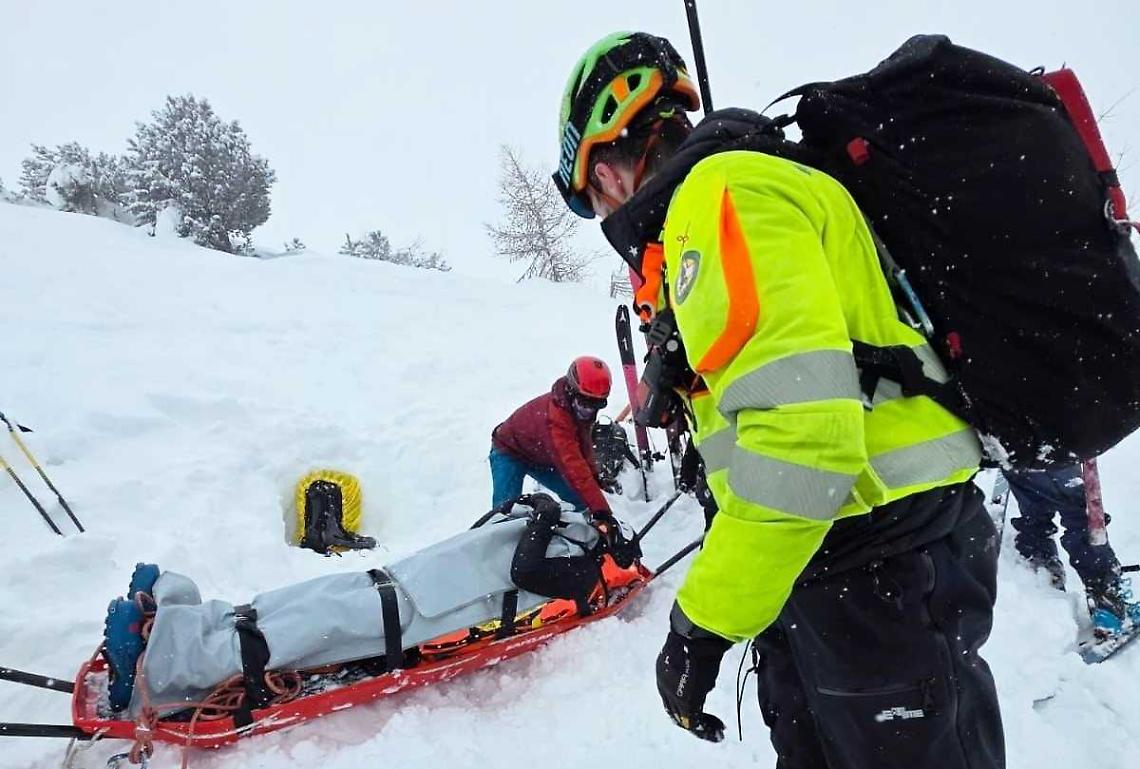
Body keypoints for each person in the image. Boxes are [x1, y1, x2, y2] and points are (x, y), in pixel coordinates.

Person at [553, 31, 1003, 769]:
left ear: (608, 163)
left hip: (874, 565)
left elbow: (803, 443)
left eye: (595, 192)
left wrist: (701, 623)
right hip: (840, 561)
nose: (607, 215)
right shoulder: (736, 195)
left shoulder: (721, 193)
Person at [101, 495, 638, 716]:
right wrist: (539, 510)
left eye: (608, 535)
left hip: (426, 614)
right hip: (410, 579)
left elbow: (524, 572)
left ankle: (164, 664)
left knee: (310, 628)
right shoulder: (572, 528)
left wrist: (544, 517)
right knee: (288, 602)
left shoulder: (583, 574)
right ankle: (177, 618)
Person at [1005, 461, 1140, 635]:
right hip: (1049, 447)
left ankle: (1041, 568)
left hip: (1009, 447)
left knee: (1033, 504)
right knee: (1081, 514)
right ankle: (1107, 601)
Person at [489, 356, 614, 514]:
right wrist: (603, 511)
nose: (588, 411)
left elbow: (584, 443)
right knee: (505, 514)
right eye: (584, 404)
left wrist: (595, 476)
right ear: (570, 390)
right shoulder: (556, 420)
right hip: (509, 451)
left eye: (595, 405)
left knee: (582, 501)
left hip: (539, 455)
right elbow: (574, 468)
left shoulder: (578, 412)